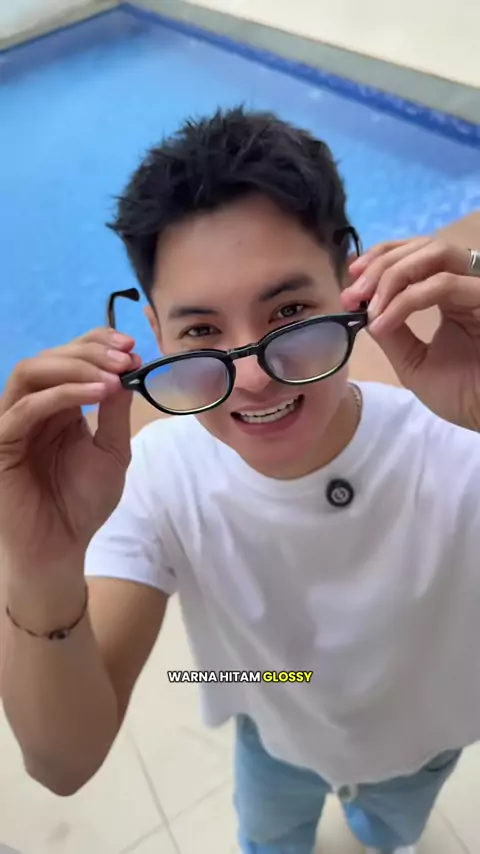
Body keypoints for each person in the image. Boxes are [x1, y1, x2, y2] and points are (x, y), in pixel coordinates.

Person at [1, 107, 480, 854]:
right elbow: (64, 764)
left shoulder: (457, 445)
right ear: (155, 334)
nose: (253, 378)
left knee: (386, 832)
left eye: (289, 311)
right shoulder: (153, 480)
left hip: (424, 743)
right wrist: (39, 565)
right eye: (201, 331)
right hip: (274, 735)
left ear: (349, 283)